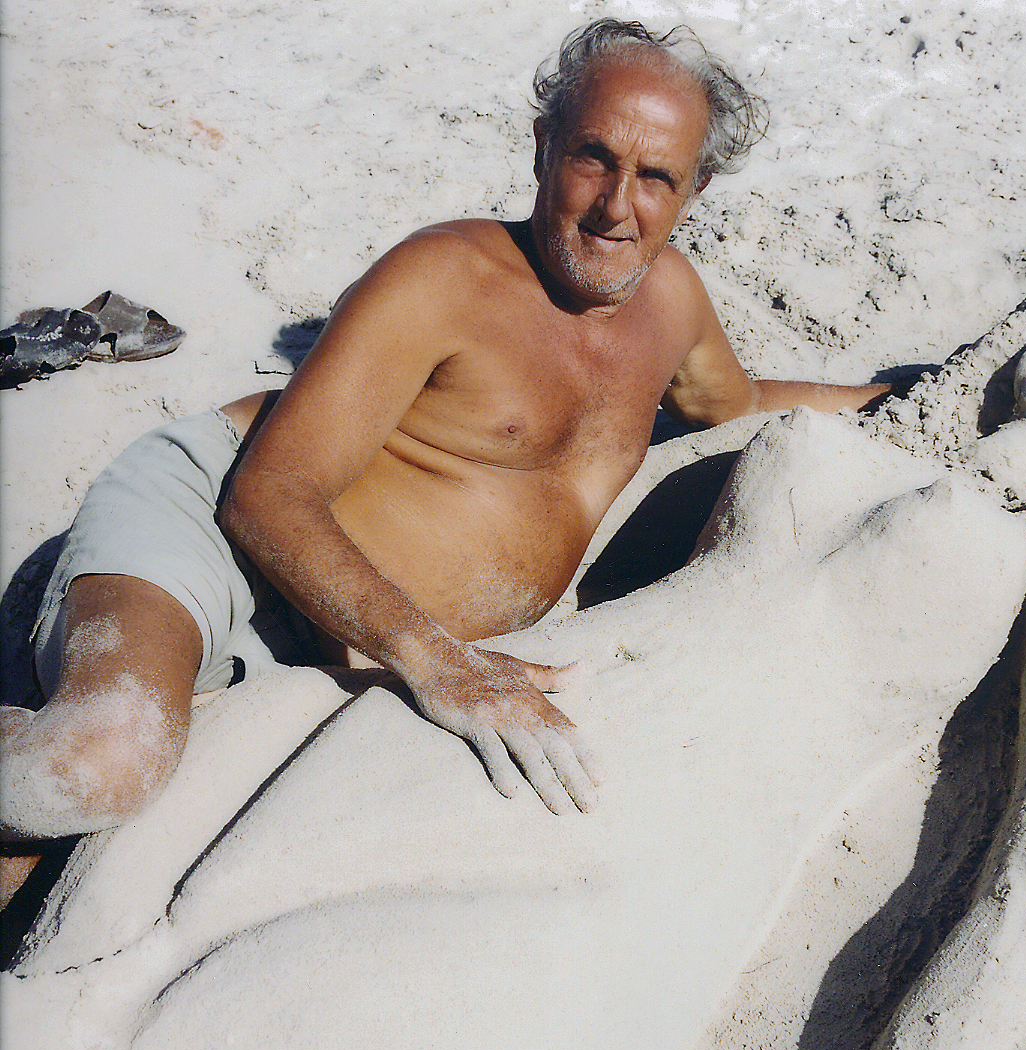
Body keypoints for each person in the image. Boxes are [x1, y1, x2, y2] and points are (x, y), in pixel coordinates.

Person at [0, 19, 889, 896]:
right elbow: (268, 494)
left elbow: (730, 405)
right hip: (220, 524)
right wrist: (437, 662)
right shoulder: (445, 275)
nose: (619, 205)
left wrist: (889, 395)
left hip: (342, 632)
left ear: (693, 189)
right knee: (101, 762)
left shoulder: (673, 301)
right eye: (593, 158)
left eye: (656, 176)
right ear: (543, 147)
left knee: (55, 867)